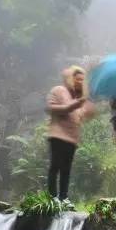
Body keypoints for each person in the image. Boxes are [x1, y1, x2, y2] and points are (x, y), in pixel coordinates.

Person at [45, 66, 94, 200]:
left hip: (72, 139)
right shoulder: (59, 90)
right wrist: (77, 104)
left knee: (66, 170)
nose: (80, 82)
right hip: (57, 136)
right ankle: (52, 197)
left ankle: (63, 198)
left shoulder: (80, 99)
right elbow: (53, 108)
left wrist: (88, 110)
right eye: (77, 79)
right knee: (55, 166)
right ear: (71, 79)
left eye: (82, 80)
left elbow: (80, 117)